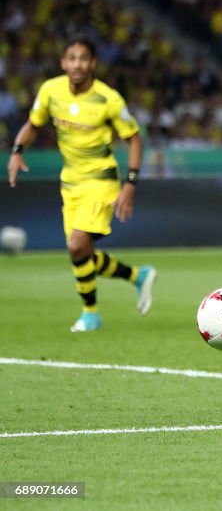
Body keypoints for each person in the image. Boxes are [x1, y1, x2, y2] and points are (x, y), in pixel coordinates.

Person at [7, 38, 156, 332]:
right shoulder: (51, 90)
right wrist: (16, 152)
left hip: (101, 179)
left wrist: (130, 184)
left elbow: (134, 138)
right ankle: (137, 276)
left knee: (77, 245)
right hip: (70, 182)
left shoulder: (108, 99)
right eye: (72, 58)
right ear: (63, 63)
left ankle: (91, 314)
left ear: (93, 64)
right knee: (80, 251)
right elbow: (33, 125)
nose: (77, 64)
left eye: (83, 59)